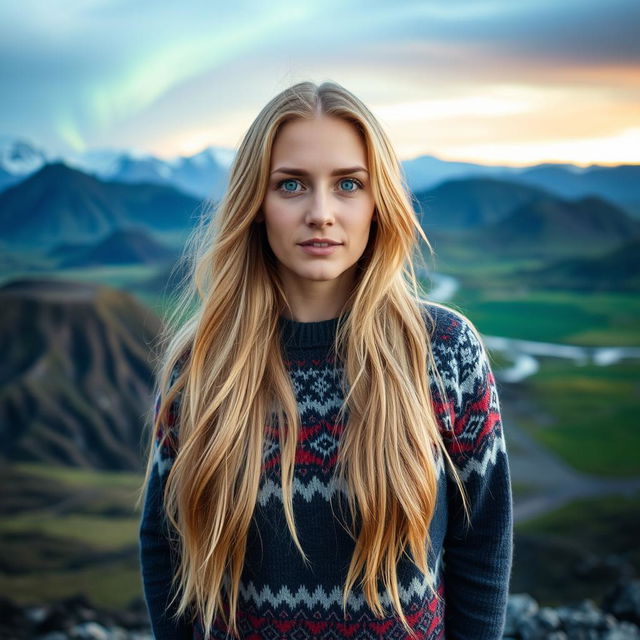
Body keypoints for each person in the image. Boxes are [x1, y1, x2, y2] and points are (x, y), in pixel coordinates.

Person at [138, 80, 513, 640]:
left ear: (377, 201)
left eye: (347, 185)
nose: (321, 212)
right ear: (256, 206)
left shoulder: (444, 352)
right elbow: (165, 548)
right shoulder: (203, 365)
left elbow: (482, 541)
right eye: (290, 185)